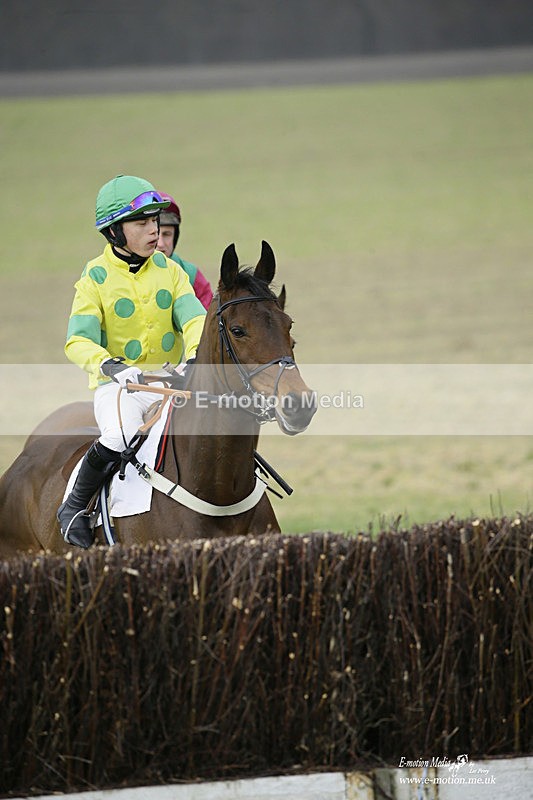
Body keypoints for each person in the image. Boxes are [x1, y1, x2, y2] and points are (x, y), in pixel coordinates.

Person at [57, 175, 207, 549]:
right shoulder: (94, 277)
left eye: (155, 221)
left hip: (172, 385)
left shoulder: (172, 272)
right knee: (118, 436)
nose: (154, 230)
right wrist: (109, 365)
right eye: (142, 222)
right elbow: (78, 340)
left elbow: (194, 319)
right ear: (113, 231)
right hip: (120, 387)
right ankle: (74, 507)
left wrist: (193, 357)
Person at [157, 192, 213, 309]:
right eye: (154, 234)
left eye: (167, 234)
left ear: (175, 236)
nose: (160, 244)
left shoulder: (191, 274)